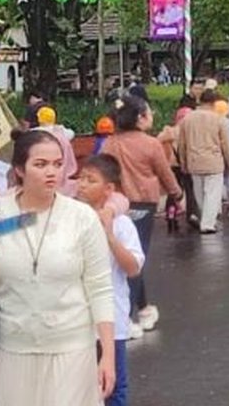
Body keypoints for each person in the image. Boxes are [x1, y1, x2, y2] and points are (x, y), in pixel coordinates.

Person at [0, 130, 115, 405]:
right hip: (13, 349)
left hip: (72, 350)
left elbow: (101, 288)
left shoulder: (81, 217)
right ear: (19, 169)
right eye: (41, 164)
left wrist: (108, 355)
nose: (52, 173)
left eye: (58, 164)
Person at [97, 96, 184, 335]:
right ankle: (124, 319)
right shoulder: (150, 144)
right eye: (148, 112)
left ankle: (144, 309)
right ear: (140, 118)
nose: (151, 116)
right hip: (144, 205)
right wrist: (177, 194)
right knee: (135, 259)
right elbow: (165, 173)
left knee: (128, 257)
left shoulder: (110, 144)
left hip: (116, 205)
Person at [76, 155, 144, 406]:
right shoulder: (70, 218)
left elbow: (133, 268)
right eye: (81, 178)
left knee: (112, 387)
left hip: (111, 319)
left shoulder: (122, 224)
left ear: (109, 189)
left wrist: (110, 236)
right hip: (75, 320)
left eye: (90, 180)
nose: (82, 184)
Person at [176, 90, 229, 234]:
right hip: (213, 162)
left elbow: (182, 144)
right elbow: (226, 144)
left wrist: (183, 162)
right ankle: (208, 223)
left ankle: (204, 218)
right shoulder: (218, 119)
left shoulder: (188, 119)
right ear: (214, 102)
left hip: (194, 161)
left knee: (199, 193)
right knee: (212, 194)